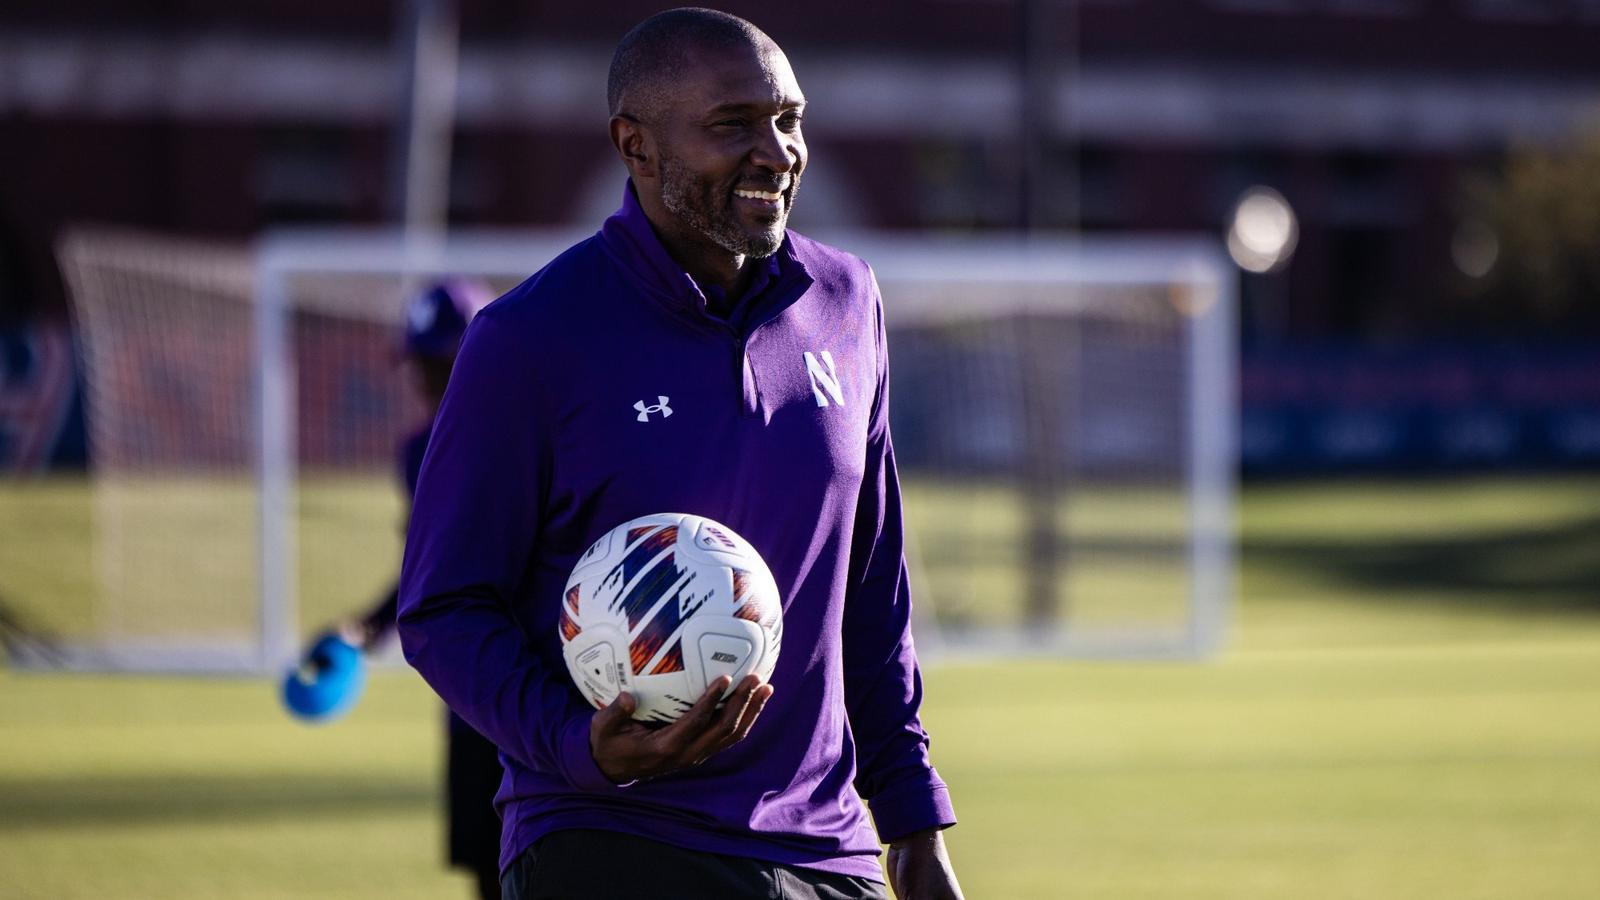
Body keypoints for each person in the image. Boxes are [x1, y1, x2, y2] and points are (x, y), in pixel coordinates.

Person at [396, 9, 963, 900]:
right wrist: (573, 745)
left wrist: (914, 823)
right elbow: (443, 606)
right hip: (610, 836)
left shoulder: (847, 303)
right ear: (637, 145)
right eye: (733, 125)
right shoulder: (530, 338)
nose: (777, 151)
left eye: (789, 119)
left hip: (828, 850)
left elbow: (871, 588)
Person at [303, 278, 505, 900]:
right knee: (486, 870)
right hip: (470, 698)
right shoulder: (417, 452)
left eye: (437, 362)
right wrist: (363, 628)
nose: (422, 379)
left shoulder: (539, 429)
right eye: (417, 362)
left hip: (558, 685)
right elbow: (429, 570)